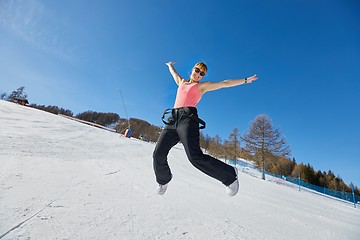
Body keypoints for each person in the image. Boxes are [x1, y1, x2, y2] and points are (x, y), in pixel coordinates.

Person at [153, 61, 258, 196]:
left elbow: (224, 83)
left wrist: (245, 80)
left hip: (188, 119)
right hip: (173, 119)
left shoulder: (202, 86)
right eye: (197, 70)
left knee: (194, 157)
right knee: (158, 154)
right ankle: (163, 179)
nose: (198, 74)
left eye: (202, 73)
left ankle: (230, 175)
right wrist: (170, 66)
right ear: (192, 69)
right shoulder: (182, 82)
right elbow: (174, 74)